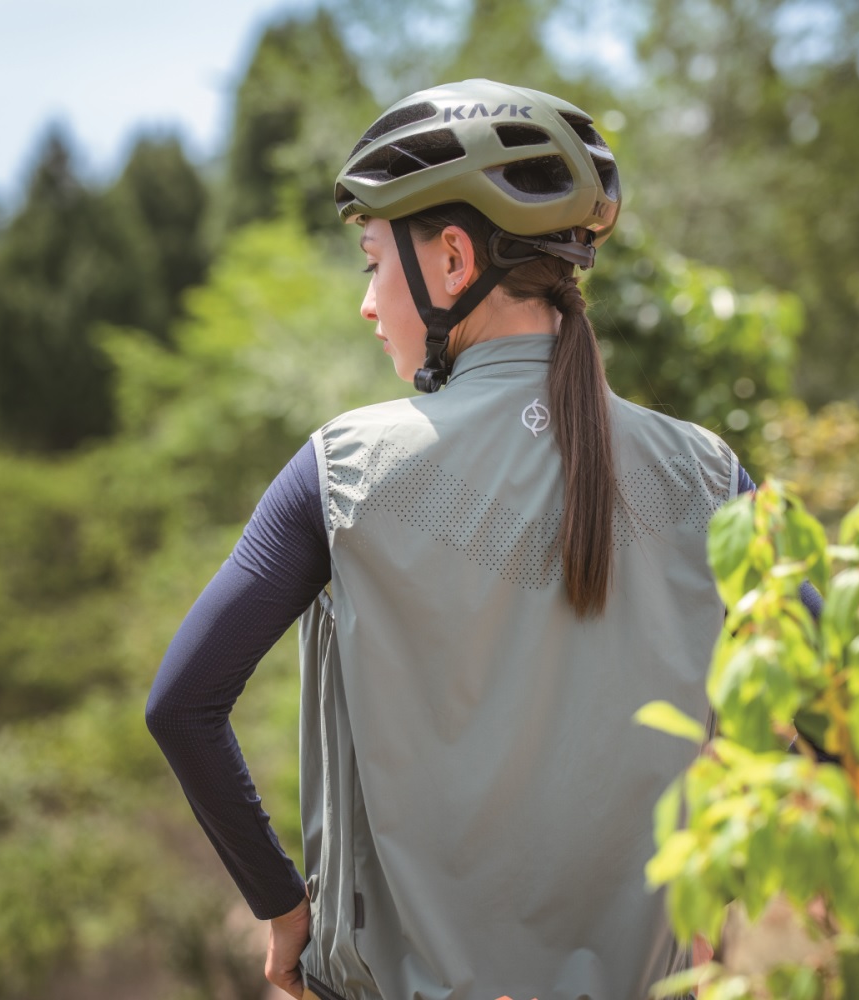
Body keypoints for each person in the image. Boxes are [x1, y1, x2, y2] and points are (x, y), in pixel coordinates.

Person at [147, 79, 782, 1000]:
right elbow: (841, 710)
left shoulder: (345, 471)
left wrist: (286, 910)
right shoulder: (710, 475)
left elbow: (183, 705)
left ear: (451, 261)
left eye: (373, 261)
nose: (369, 304)